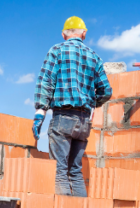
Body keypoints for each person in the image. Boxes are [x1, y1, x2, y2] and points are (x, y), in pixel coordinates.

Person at [33, 16, 113, 197]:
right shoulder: (94, 57)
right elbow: (106, 91)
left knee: (59, 172)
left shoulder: (57, 51)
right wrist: (92, 103)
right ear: (83, 34)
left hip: (63, 116)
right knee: (75, 173)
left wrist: (40, 111)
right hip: (84, 121)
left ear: (63, 34)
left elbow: (46, 81)